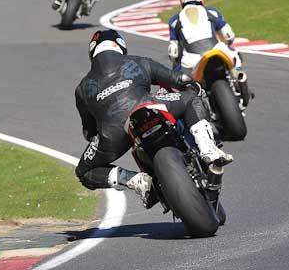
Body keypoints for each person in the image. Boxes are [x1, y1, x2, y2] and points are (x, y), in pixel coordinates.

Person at [74, 29, 232, 206]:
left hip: (113, 133)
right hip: (148, 105)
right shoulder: (138, 61)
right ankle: (208, 149)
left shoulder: (82, 89)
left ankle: (134, 181)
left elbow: (88, 131)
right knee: (191, 100)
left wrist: (102, 132)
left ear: (92, 53)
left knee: (84, 171)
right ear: (121, 46)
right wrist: (194, 87)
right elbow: (178, 79)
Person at [167, 0, 243, 72]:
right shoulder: (212, 12)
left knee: (179, 78)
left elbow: (173, 52)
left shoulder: (174, 20)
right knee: (236, 56)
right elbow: (229, 36)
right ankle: (239, 78)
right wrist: (227, 43)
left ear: (182, 0)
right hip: (216, 51)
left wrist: (176, 63)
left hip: (191, 61)